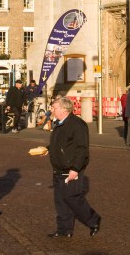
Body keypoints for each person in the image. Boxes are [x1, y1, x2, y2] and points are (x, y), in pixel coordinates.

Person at [45, 95, 101, 239]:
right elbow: (60, 144)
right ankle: (64, 230)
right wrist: (48, 149)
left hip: (71, 168)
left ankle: (93, 220)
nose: (52, 109)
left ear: (64, 108)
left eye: (54, 107)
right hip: (58, 168)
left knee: (72, 197)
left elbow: (82, 149)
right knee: (60, 200)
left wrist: (75, 169)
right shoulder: (59, 123)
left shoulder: (77, 124)